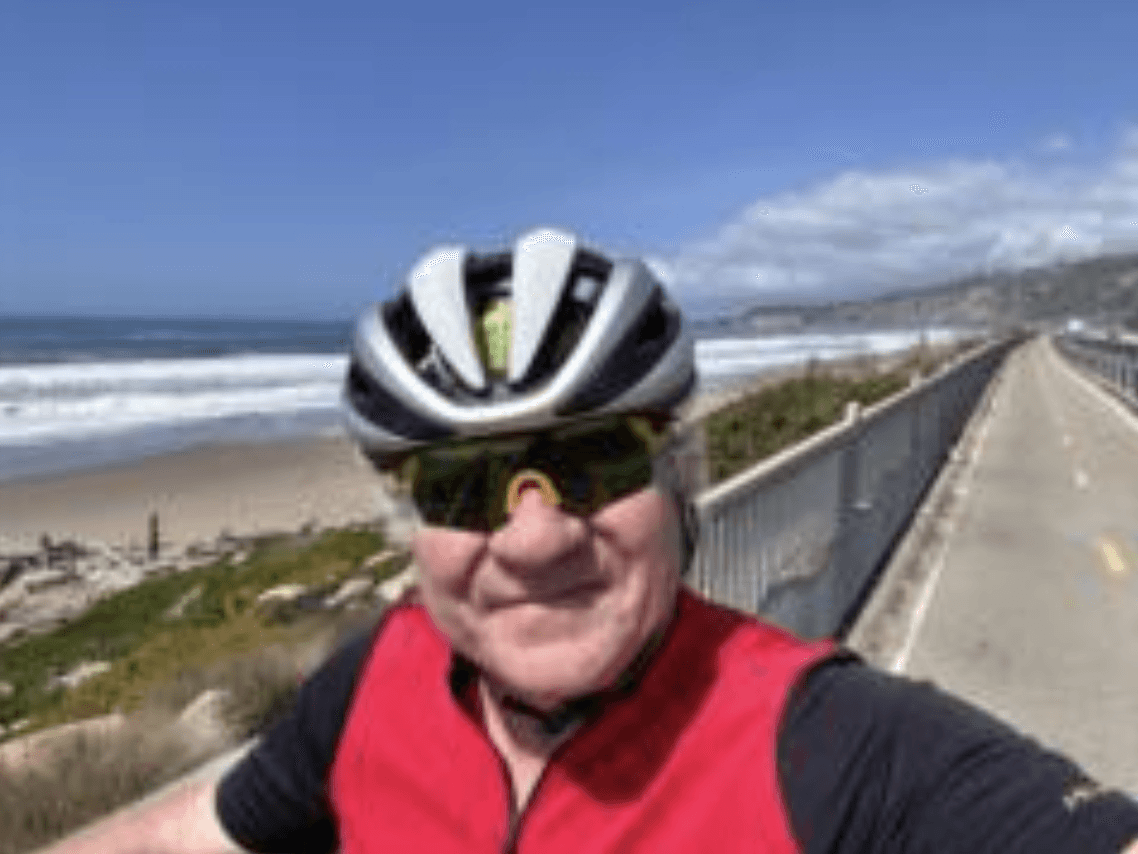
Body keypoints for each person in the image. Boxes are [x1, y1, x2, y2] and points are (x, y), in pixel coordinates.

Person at [39, 228, 1138, 853]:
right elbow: (183, 835)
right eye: (465, 484)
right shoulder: (373, 677)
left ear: (678, 483)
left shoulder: (839, 745)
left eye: (593, 463)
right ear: (412, 532)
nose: (532, 535)